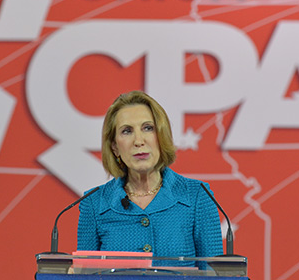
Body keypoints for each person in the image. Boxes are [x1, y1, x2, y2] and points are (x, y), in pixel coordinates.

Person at [77, 90, 224, 268]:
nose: (139, 141)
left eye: (148, 128)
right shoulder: (93, 203)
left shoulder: (198, 196)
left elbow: (216, 275)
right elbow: (84, 274)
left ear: (161, 137)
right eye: (127, 131)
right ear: (115, 147)